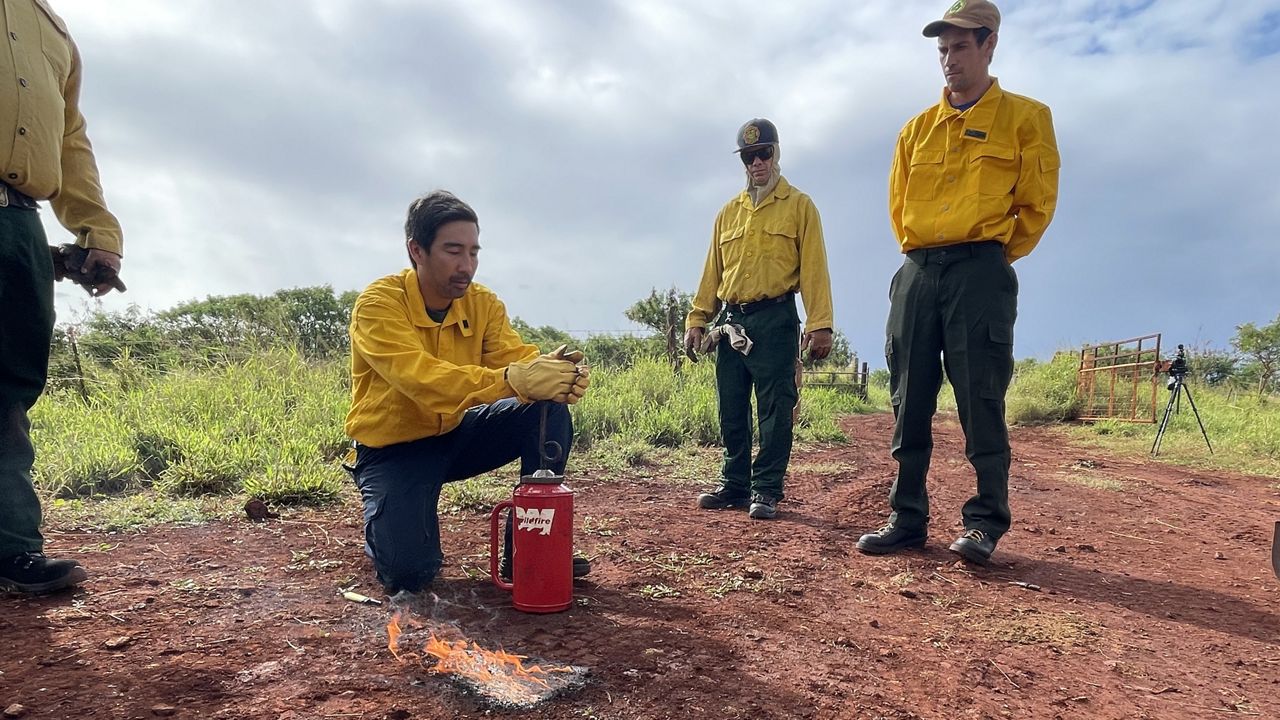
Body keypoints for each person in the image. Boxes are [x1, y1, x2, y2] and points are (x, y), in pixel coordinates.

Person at [857, 0, 1059, 564]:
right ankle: (907, 516)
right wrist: (930, 256)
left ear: (989, 44)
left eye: (961, 47)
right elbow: (899, 210)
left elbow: (1036, 206)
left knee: (981, 397)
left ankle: (984, 521)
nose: (949, 59)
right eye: (942, 49)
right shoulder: (916, 131)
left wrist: (988, 257)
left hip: (980, 271)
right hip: (919, 271)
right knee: (908, 396)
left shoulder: (1025, 118)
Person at [345, 190, 591, 595]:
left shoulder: (482, 304)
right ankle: (386, 525)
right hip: (393, 450)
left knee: (545, 408)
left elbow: (516, 359)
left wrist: (557, 373)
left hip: (457, 435)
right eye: (453, 251)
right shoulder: (378, 304)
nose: (467, 266)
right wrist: (514, 380)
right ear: (416, 250)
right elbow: (421, 380)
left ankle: (532, 545)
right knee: (409, 575)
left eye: (474, 252)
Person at [1, 0, 125, 593]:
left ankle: (12, 550)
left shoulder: (52, 30)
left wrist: (96, 233)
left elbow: (69, 138)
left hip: (18, 222)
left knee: (7, 390)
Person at [685, 119, 835, 521]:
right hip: (732, 320)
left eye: (763, 153)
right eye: (749, 156)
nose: (757, 162)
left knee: (774, 408)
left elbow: (815, 269)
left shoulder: (800, 206)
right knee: (731, 407)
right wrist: (697, 319)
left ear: (776, 153)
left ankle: (766, 488)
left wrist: (820, 323)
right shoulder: (727, 213)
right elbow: (711, 273)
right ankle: (734, 484)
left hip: (776, 319)